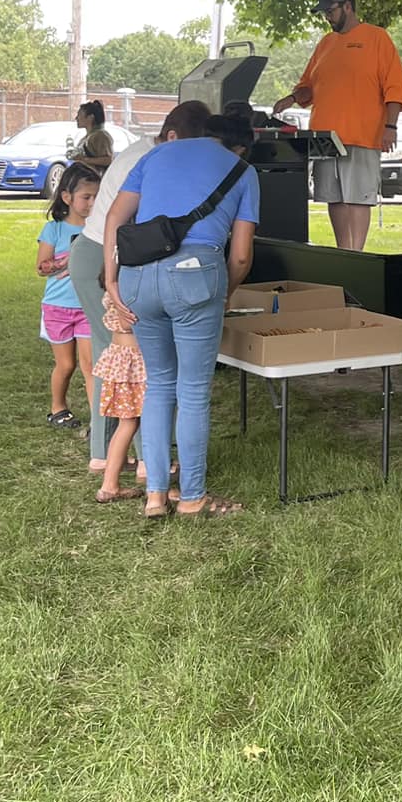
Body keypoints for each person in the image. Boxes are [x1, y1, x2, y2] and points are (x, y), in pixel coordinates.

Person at [101, 100, 260, 518]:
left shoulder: (155, 155)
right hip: (195, 275)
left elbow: (116, 216)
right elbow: (241, 256)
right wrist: (224, 292)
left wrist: (113, 278)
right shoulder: (243, 172)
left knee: (158, 385)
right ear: (236, 141)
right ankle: (191, 497)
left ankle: (155, 495)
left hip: (136, 277)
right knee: (192, 390)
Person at [71, 104, 189, 473]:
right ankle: (142, 455)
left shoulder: (143, 149)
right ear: (172, 137)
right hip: (103, 257)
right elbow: (127, 221)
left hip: (98, 256)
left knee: (116, 358)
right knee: (135, 358)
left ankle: (106, 453)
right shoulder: (149, 159)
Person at [271, 0, 402, 252]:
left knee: (357, 197)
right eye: (324, 13)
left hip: (362, 134)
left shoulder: (377, 38)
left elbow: (395, 88)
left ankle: (356, 254)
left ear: (348, 7)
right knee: (334, 197)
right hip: (325, 138)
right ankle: (342, 252)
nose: (327, 17)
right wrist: (292, 98)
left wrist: (390, 126)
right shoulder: (325, 43)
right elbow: (309, 84)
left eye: (330, 11)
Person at [38, 163, 99, 428]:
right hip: (57, 307)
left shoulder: (98, 229)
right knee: (66, 365)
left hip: (88, 306)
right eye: (86, 197)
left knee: (90, 366)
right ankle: (58, 408)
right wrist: (65, 262)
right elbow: (41, 267)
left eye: (97, 196)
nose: (92, 203)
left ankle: (99, 423)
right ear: (67, 197)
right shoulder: (54, 230)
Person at [90, 300, 146, 503]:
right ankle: (111, 485)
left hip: (120, 358)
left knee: (126, 424)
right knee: (133, 422)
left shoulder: (111, 292)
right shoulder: (131, 295)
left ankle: (109, 484)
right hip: (136, 361)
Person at [73, 99, 115, 172]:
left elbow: (108, 160)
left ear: (90, 117)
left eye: (79, 115)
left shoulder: (100, 136)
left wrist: (84, 160)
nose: (76, 118)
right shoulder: (88, 137)